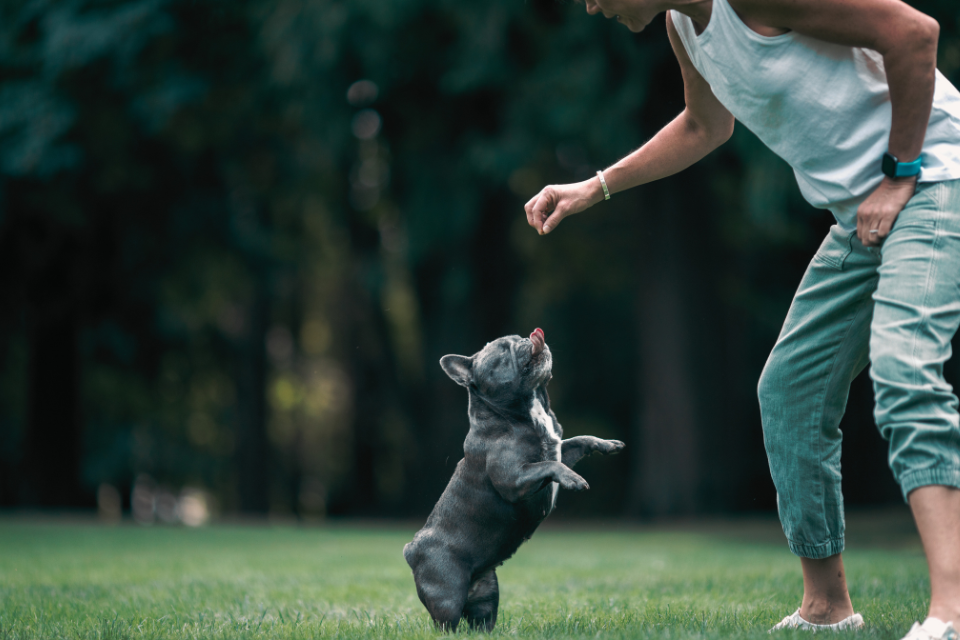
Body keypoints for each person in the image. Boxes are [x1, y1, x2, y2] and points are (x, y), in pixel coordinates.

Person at [523, 0, 960, 637]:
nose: (589, 4)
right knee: (790, 392)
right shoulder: (682, 25)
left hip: (931, 182)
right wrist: (595, 187)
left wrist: (900, 174)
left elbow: (915, 35)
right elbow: (706, 126)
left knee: (905, 372)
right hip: (861, 216)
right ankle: (826, 608)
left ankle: (950, 612)